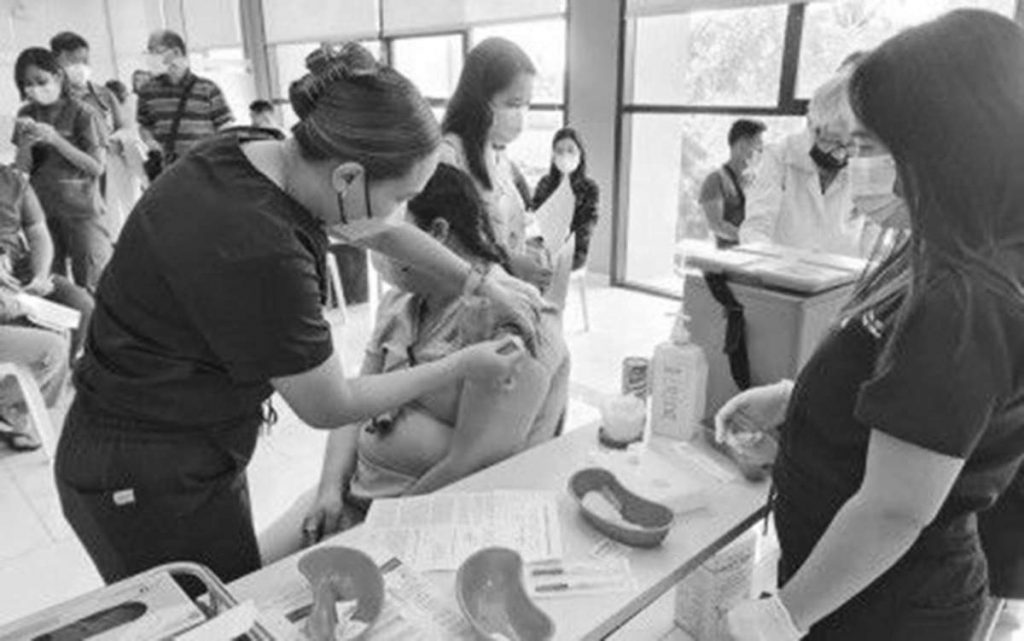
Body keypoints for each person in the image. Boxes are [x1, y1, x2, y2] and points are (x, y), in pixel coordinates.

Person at [55, 42, 543, 588]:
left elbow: (375, 226)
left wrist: (478, 284)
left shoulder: (257, 150)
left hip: (181, 444)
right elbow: (332, 404)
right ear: (348, 178)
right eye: (400, 195)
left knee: (233, 589)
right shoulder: (261, 247)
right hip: (142, 470)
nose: (400, 215)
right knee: (206, 615)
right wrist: (462, 366)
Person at [721, 10, 1024, 640]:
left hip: (890, 606)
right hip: (853, 581)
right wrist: (792, 398)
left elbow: (894, 509)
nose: (855, 162)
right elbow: (896, 384)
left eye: (868, 145)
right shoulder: (934, 249)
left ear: (947, 145)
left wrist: (782, 616)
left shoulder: (965, 299)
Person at [294, 164, 569, 549]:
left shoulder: (511, 316)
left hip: (432, 520)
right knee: (245, 582)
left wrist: (378, 534)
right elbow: (350, 403)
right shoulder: (401, 301)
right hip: (356, 493)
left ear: (437, 232)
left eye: (387, 228)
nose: (372, 244)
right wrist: (328, 490)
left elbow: (474, 463)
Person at [441, 38, 552, 291]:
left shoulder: (498, 155)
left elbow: (508, 224)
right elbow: (446, 247)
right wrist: (508, 262)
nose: (522, 114)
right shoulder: (447, 158)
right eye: (513, 104)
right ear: (479, 99)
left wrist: (531, 249)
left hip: (503, 295)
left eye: (527, 104)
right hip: (464, 304)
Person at [12, 47, 113, 293]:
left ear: (58, 76)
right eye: (27, 84)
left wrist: (57, 140)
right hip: (42, 215)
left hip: (82, 211)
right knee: (52, 287)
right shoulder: (27, 114)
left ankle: (97, 330)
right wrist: (25, 142)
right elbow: (22, 170)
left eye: (41, 81)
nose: (34, 88)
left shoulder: (83, 113)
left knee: (92, 284)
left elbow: (96, 166)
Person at [741, 74, 869, 257]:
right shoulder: (779, 156)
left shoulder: (864, 162)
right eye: (832, 140)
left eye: (849, 144)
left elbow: (873, 235)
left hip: (845, 278)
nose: (840, 154)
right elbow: (756, 229)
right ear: (811, 124)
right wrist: (767, 267)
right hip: (782, 273)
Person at [0, 163, 93, 355]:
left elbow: (38, 232)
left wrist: (40, 276)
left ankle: (60, 371)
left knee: (81, 304)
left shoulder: (13, 180)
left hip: (17, 269)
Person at [136, 30, 234, 175]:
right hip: (166, 173)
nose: (150, 57)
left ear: (175, 51)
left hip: (203, 170)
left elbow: (225, 129)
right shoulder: (147, 91)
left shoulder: (208, 89)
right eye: (149, 51)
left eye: (154, 51)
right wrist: (151, 143)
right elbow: (145, 126)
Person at [532, 127, 600, 270]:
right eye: (559, 151)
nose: (565, 155)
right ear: (553, 155)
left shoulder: (589, 188)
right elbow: (534, 215)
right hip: (542, 244)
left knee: (541, 266)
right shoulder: (545, 183)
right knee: (522, 259)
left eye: (570, 150)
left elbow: (586, 228)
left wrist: (562, 242)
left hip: (572, 249)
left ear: (580, 154)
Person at [698, 119, 765, 249]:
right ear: (742, 145)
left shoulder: (756, 181)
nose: (761, 151)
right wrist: (749, 238)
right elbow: (717, 225)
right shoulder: (715, 180)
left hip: (756, 257)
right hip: (728, 262)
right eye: (758, 145)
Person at [50, 32, 126, 138]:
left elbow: (123, 130)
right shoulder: (49, 99)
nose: (80, 67)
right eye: (73, 61)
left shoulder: (105, 95)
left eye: (84, 61)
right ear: (55, 63)